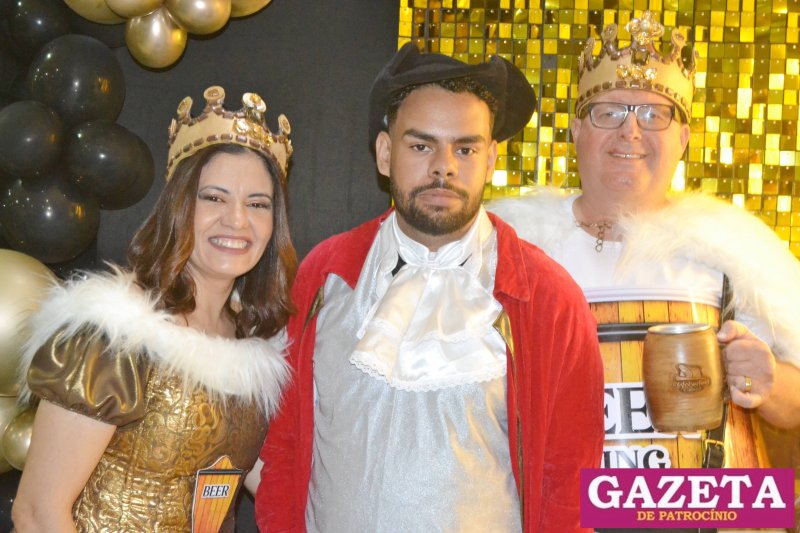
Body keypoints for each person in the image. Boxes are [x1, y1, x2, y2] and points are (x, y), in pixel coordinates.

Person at [255, 43, 605, 533]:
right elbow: (283, 450)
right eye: (421, 146)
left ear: (490, 159)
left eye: (465, 149)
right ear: (385, 154)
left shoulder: (549, 300)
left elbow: (570, 485)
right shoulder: (323, 275)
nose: (444, 166)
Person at [490, 13, 800, 438]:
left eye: (654, 114)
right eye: (609, 112)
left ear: (683, 138)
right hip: (562, 484)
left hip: (705, 485)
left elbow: (793, 404)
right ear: (577, 131)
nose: (630, 131)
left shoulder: (736, 255)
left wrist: (768, 383)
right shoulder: (511, 252)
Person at [12, 85, 297, 532]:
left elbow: (269, 484)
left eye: (257, 204)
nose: (237, 220)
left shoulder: (253, 347)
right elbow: (37, 512)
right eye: (214, 197)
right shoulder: (114, 332)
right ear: (179, 205)